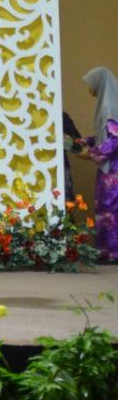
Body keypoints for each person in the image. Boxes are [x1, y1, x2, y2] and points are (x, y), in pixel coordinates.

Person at [83, 67, 118, 260]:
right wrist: (87, 141)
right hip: (109, 169)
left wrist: (91, 153)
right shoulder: (108, 104)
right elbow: (105, 135)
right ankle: (107, 251)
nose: (89, 89)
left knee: (110, 209)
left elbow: (115, 139)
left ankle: (111, 252)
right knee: (106, 209)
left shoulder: (109, 107)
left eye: (91, 84)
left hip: (113, 171)